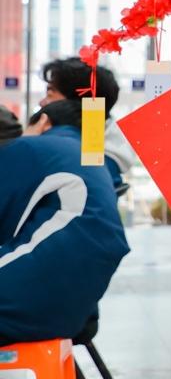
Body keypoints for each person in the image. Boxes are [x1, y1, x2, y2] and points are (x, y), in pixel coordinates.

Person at [0, 100, 130, 346]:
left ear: (43, 121)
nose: (43, 99)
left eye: (50, 92)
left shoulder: (31, 147)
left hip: (32, 297)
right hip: (78, 306)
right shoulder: (90, 154)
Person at [40, 57, 137, 187]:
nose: (42, 103)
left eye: (50, 95)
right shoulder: (102, 155)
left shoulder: (87, 165)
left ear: (75, 104)